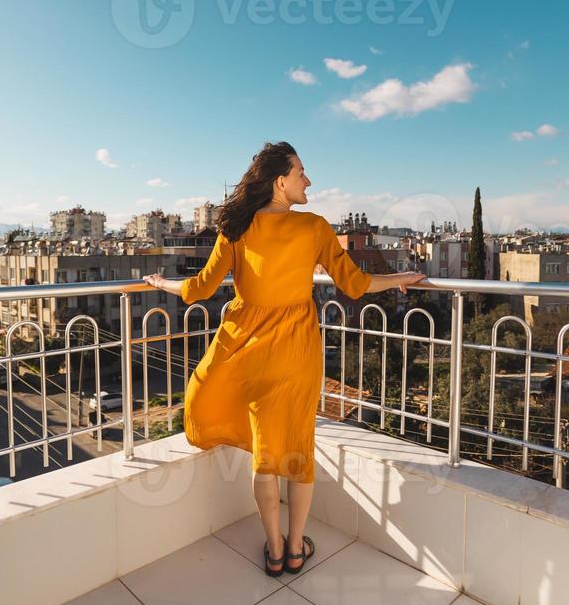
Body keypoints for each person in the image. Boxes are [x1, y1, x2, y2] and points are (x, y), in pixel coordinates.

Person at [142, 142, 425, 576]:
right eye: (301, 173)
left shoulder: (236, 229)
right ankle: (296, 548)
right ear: (280, 181)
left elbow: (198, 289)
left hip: (248, 347)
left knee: (265, 453)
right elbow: (354, 284)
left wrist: (161, 284)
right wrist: (400, 278)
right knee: (295, 444)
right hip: (296, 348)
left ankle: (273, 550)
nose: (307, 181)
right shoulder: (313, 227)